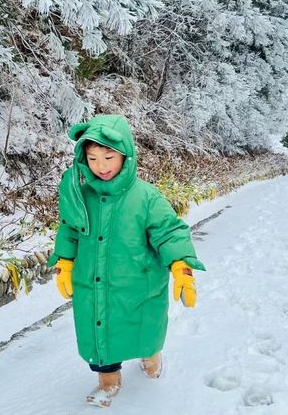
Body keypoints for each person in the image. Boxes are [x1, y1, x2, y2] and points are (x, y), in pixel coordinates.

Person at [48, 114, 205, 408]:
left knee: (145, 329)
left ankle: (152, 360)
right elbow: (69, 229)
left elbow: (169, 232)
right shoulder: (81, 195)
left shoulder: (145, 196)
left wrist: (181, 267)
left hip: (138, 283)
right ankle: (109, 383)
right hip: (94, 284)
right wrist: (65, 263)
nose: (101, 166)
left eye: (109, 156)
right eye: (93, 158)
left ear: (126, 155)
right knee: (100, 333)